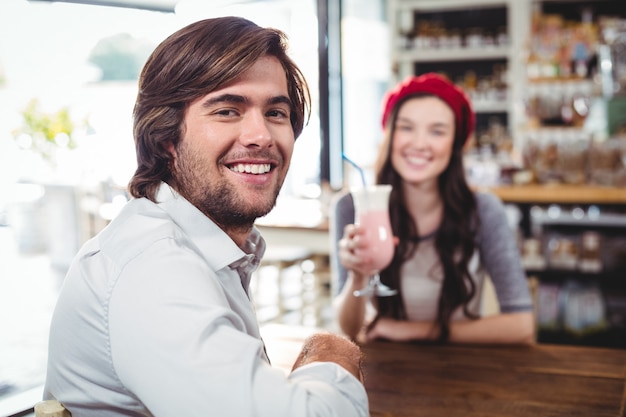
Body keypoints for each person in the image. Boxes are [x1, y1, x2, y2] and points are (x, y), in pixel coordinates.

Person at [43, 16, 368, 417]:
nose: (261, 135)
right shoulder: (152, 267)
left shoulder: (202, 242)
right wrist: (332, 354)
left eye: (276, 113)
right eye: (228, 111)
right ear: (165, 138)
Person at [332, 73, 535, 345]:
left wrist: (413, 331)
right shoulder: (353, 206)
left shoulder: (483, 211)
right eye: (406, 127)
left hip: (460, 369)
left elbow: (522, 327)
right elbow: (349, 329)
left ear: (454, 145)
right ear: (390, 136)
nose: (419, 143)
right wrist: (357, 277)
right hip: (382, 371)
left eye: (437, 131)